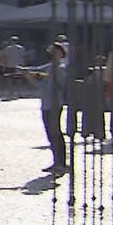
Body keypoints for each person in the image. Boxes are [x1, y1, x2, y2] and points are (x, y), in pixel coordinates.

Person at [24, 42, 69, 173]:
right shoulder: (49, 67)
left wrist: (37, 78)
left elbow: (58, 85)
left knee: (56, 133)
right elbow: (37, 71)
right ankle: (56, 161)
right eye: (52, 51)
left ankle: (61, 162)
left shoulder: (60, 68)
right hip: (46, 103)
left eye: (56, 51)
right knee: (50, 133)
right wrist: (28, 74)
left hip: (55, 104)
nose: (54, 54)